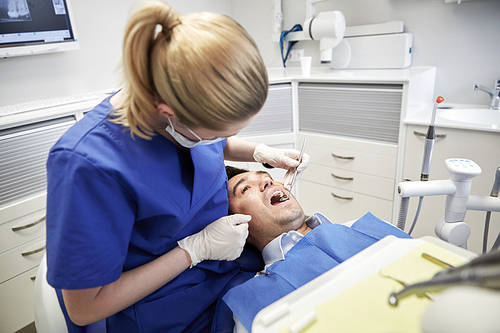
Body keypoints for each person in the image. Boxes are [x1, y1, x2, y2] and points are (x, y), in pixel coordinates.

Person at [45, 3, 309, 332]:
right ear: (167, 110)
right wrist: (193, 251)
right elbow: (85, 308)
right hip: (164, 311)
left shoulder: (178, 108)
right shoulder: (87, 166)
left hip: (229, 271)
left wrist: (260, 152)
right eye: (221, 131)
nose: (226, 139)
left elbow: (206, 142)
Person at [222, 167, 411, 332]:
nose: (266, 182)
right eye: (245, 189)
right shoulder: (256, 304)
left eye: (267, 177)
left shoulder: (370, 227)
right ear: (235, 225)